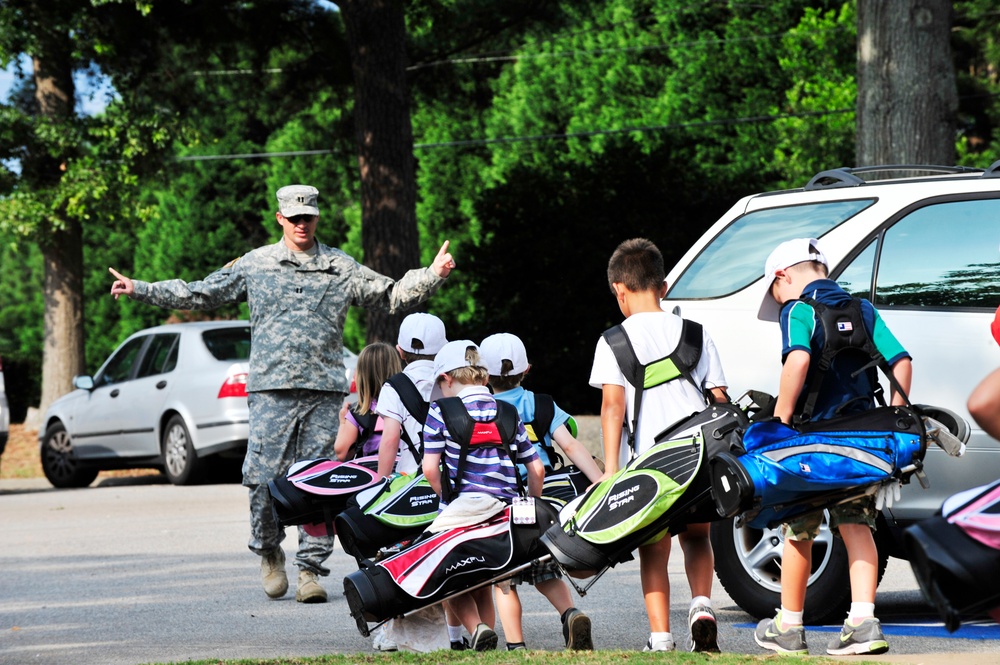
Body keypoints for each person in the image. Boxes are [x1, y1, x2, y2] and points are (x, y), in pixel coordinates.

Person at [108, 184, 455, 604]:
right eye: (294, 218)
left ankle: (311, 569)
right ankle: (269, 551)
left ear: (317, 218)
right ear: (280, 219)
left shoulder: (339, 267)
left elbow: (391, 294)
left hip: (323, 390)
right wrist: (141, 288)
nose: (301, 224)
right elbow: (200, 292)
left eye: (308, 217)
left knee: (325, 481)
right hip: (271, 389)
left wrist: (432, 274)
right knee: (260, 477)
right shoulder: (256, 264)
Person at [753, 237, 912, 656]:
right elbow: (901, 362)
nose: (777, 299)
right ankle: (863, 623)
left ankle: (788, 627)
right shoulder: (863, 309)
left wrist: (781, 422)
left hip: (810, 444)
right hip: (861, 441)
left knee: (798, 531)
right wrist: (894, 420)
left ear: (783, 276)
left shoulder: (798, 310)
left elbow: (799, 361)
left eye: (774, 290)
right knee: (857, 526)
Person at [589, 238, 728, 653]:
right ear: (663, 286)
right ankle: (702, 606)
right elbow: (719, 397)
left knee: (654, 550)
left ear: (620, 290)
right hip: (699, 454)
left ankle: (661, 637)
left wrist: (611, 472)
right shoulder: (695, 334)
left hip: (651, 463)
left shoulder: (613, 341)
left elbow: (612, 408)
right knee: (699, 538)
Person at [421, 340, 545, 652]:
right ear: (484, 378)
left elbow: (429, 468)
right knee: (486, 578)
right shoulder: (508, 411)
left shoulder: (440, 411)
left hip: (463, 508)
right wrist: (529, 500)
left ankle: (475, 629)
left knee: (446, 572)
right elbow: (536, 468)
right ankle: (484, 638)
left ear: (448, 379)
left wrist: (446, 497)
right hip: (504, 511)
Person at [479, 332, 598, 651]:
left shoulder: (482, 408)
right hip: (543, 504)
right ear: (527, 369)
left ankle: (516, 646)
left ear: (482, 374)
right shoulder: (541, 404)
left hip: (502, 506)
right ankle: (570, 613)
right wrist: (600, 481)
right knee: (543, 567)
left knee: (504, 578)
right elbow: (570, 444)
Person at [375, 312, 448, 479]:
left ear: (400, 351)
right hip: (448, 478)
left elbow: (390, 439)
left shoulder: (393, 386)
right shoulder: (449, 382)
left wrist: (380, 484)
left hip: (410, 479)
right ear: (443, 349)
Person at [333, 342, 401, 462]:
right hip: (406, 472)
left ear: (362, 375)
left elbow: (341, 452)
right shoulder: (406, 406)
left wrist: (343, 422)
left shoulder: (360, 411)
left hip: (374, 472)